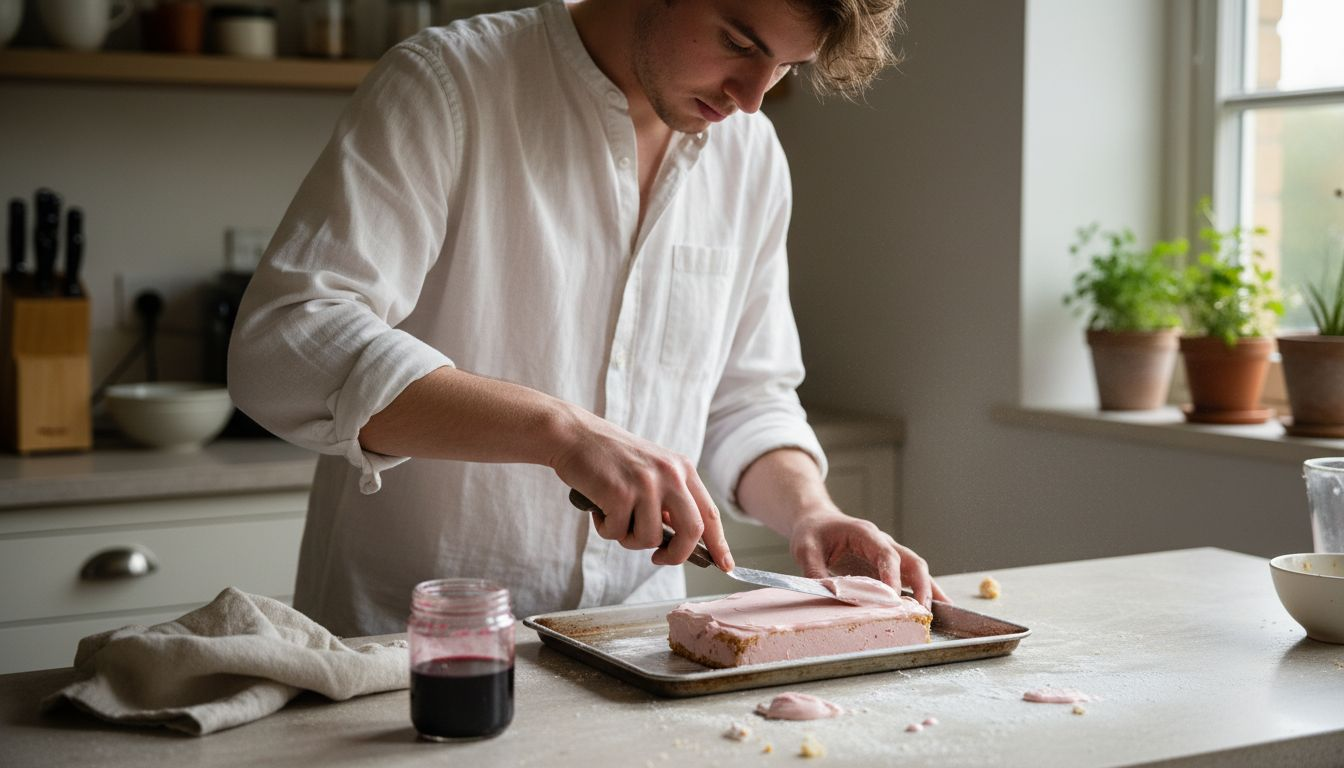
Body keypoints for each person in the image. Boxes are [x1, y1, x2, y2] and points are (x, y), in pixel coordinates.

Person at [229, 0, 948, 637]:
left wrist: (810, 514)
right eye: (739, 42)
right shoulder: (447, 86)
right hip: (412, 654)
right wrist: (560, 433)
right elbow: (284, 344)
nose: (754, 98)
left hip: (633, 647)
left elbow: (745, 397)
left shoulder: (751, 156)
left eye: (788, 67)